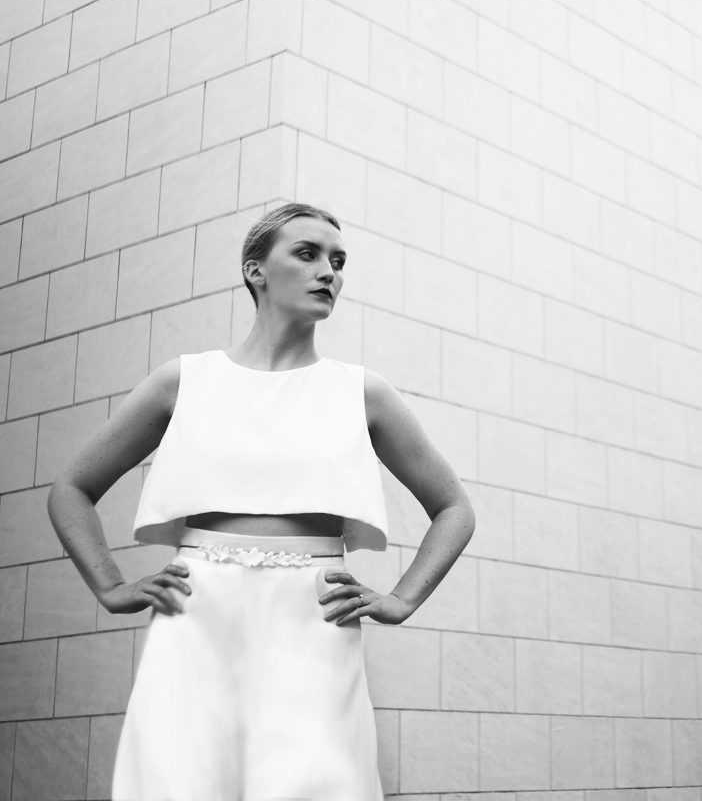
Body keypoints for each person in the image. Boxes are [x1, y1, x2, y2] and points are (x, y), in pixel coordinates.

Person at [47, 202, 475, 801]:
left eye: (338, 261)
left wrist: (401, 599)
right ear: (255, 270)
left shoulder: (361, 393)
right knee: (179, 781)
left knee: (315, 783)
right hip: (196, 612)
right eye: (308, 254)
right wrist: (110, 586)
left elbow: (454, 509)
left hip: (314, 616)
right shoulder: (184, 381)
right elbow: (71, 489)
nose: (329, 272)